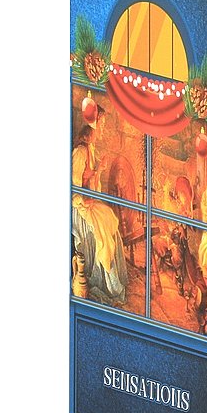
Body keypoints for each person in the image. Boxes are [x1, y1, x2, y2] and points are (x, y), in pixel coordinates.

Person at [71, 115, 128, 305]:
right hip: (79, 205)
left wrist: (100, 169)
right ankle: (107, 285)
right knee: (103, 229)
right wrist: (81, 201)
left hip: (89, 202)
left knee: (110, 218)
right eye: (101, 125)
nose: (103, 129)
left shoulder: (91, 149)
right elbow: (74, 184)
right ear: (92, 127)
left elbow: (92, 182)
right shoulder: (80, 152)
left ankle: (112, 283)